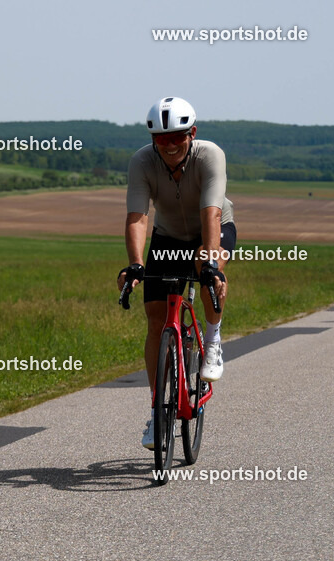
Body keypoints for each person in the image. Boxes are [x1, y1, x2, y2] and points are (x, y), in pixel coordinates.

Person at [117, 96, 237, 450]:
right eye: (161, 138)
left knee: (204, 265)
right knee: (156, 319)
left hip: (212, 230)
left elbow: (212, 212)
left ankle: (212, 341)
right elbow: (138, 216)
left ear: (192, 133)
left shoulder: (209, 155)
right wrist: (136, 263)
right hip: (167, 237)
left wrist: (211, 264)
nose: (169, 145)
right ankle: (158, 410)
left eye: (177, 137)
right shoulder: (142, 161)